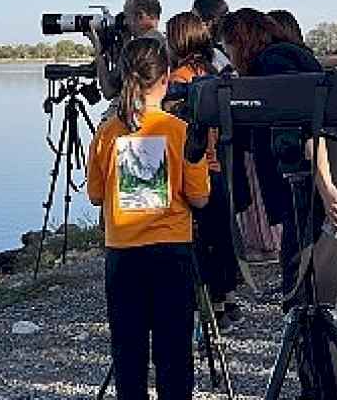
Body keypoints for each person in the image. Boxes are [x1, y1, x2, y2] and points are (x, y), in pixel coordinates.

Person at [220, 8, 337, 400]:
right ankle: (326, 387)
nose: (229, 56)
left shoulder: (272, 63)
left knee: (302, 296)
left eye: (228, 47)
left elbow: (304, 125)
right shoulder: (294, 54)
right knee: (318, 298)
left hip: (315, 192)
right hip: (331, 182)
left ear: (240, 39)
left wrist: (327, 189)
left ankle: (325, 390)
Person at [86, 37, 209, 400]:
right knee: (174, 352)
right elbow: (199, 197)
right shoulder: (179, 130)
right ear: (167, 78)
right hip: (172, 252)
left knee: (129, 352)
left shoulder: (107, 132)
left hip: (123, 254)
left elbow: (95, 195)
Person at [165, 11, 242, 328]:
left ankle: (206, 308)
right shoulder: (214, 70)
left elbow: (175, 127)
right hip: (220, 165)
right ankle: (227, 302)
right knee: (221, 236)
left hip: (197, 165)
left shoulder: (180, 79)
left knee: (200, 242)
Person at [92, 0, 167, 104]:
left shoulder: (139, 50)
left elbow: (109, 91)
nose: (125, 22)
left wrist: (97, 48)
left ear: (140, 15)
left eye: (127, 16)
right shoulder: (165, 44)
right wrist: (125, 42)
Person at [192, 0, 233, 71]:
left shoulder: (217, 53)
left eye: (194, 19)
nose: (190, 24)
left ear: (209, 22)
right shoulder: (230, 47)